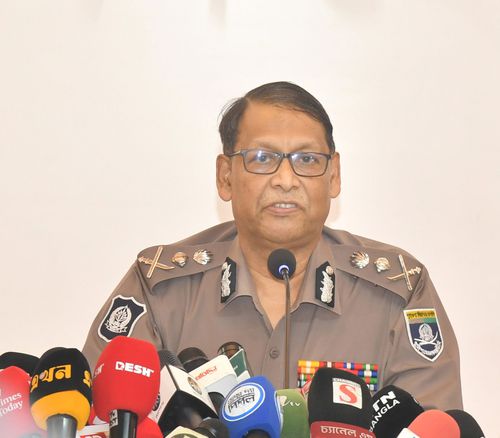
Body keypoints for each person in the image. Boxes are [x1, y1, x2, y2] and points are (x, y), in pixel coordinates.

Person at [82, 81, 462, 409]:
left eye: (307, 159)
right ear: (225, 177)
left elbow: (431, 424)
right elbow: (107, 417)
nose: (285, 179)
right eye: (262, 158)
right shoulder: (159, 289)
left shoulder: (399, 294)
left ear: (333, 176)